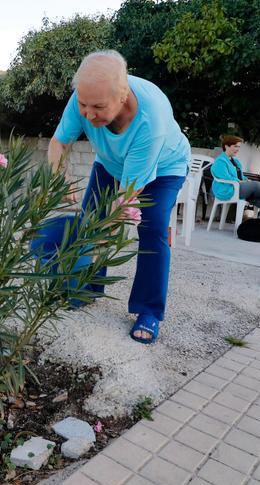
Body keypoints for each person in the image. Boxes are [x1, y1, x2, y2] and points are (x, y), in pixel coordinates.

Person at [48, 50, 190, 344]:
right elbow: (58, 143)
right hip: (110, 163)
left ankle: (148, 311)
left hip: (164, 167)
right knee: (89, 223)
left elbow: (124, 201)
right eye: (84, 105)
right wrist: (58, 178)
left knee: (151, 230)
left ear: (123, 95)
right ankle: (88, 287)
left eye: (98, 107)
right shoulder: (84, 98)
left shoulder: (152, 118)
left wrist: (107, 231)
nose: (88, 114)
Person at [210, 135, 260, 219]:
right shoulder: (220, 161)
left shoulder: (235, 161)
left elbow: (241, 176)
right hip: (227, 189)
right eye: (235, 146)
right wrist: (243, 182)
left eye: (239, 147)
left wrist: (246, 180)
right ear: (226, 146)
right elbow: (226, 178)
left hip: (240, 189)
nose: (237, 149)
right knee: (256, 185)